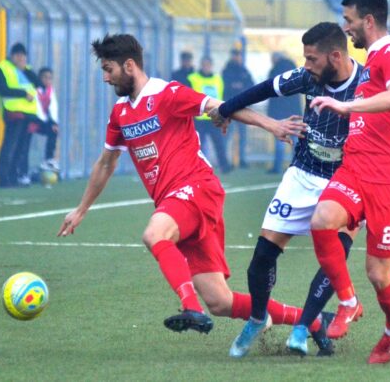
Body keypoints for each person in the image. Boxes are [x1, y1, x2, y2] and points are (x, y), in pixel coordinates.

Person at [57, 34, 326, 341]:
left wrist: (272, 125)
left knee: (154, 235)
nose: (105, 78)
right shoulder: (120, 113)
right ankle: (312, 321)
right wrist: (81, 209)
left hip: (196, 187)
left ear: (129, 66)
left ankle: (190, 308)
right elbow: (106, 163)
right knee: (220, 301)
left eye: (109, 69)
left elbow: (220, 106)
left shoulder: (167, 93)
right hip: (176, 202)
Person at [212, 22, 363, 358]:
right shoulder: (308, 77)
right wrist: (224, 110)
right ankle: (257, 318)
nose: (306, 65)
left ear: (335, 57)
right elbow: (261, 90)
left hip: (347, 179)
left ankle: (303, 326)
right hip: (303, 173)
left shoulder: (368, 84)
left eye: (312, 59)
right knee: (261, 259)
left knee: (334, 260)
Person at [305, 0, 390, 364]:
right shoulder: (373, 62)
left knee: (378, 273)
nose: (345, 27)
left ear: (368, 20)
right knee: (322, 221)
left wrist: (346, 106)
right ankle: (348, 302)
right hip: (356, 167)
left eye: (349, 20)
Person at [0, 43, 39, 187]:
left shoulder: (27, 70)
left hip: (28, 114)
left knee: (21, 147)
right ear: (12, 56)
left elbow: (38, 83)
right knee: (9, 146)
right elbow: (2, 90)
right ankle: (3, 179)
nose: (21, 58)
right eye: (18, 55)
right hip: (13, 113)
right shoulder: (3, 68)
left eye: (23, 56)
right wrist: (23, 94)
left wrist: (25, 69)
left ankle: (14, 176)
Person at [188, 56, 232, 173]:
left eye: (208, 65)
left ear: (211, 66)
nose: (206, 67)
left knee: (219, 144)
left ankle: (225, 166)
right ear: (201, 65)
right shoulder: (193, 78)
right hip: (200, 118)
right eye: (204, 65)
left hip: (214, 117)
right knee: (198, 146)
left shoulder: (218, 79)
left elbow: (222, 96)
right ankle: (197, 168)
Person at [266, 52, 301, 173]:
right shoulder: (295, 70)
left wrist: (271, 113)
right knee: (295, 139)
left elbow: (270, 91)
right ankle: (297, 166)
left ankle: (277, 167)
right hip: (294, 111)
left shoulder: (274, 71)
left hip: (279, 112)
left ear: (275, 59)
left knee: (280, 139)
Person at [221, 47, 254, 169]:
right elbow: (224, 86)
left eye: (238, 55)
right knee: (227, 135)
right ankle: (225, 160)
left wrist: (241, 87)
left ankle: (242, 160)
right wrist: (233, 86)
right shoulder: (226, 71)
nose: (236, 57)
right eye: (235, 54)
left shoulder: (244, 71)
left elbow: (251, 85)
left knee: (243, 135)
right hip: (229, 107)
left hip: (242, 108)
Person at [34, 67, 59, 171]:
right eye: (44, 77)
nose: (47, 80)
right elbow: (37, 107)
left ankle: (49, 159)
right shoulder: (35, 89)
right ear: (39, 78)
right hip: (34, 119)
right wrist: (45, 121)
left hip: (42, 120)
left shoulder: (50, 90)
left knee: (54, 130)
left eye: (49, 78)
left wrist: (54, 122)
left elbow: (53, 107)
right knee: (24, 145)